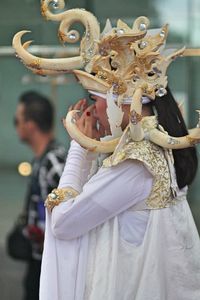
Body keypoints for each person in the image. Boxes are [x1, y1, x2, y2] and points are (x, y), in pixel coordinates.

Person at [12, 4, 200, 299]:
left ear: (121, 100)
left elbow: (63, 223)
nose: (92, 109)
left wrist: (80, 148)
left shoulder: (136, 162)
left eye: (94, 98)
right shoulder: (150, 148)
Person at [14, 91, 66, 300]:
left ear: (30, 124)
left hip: (51, 264)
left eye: (17, 120)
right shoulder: (42, 160)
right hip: (40, 259)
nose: (15, 125)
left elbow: (70, 212)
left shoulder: (54, 162)